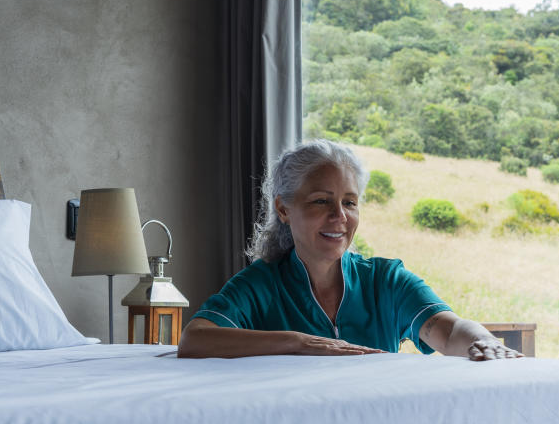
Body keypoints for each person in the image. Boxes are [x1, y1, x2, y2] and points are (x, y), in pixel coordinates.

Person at [177, 139, 522, 361]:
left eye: (349, 202)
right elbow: (196, 339)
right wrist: (298, 342)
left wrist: (483, 340)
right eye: (321, 201)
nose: (339, 216)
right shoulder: (260, 285)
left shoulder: (387, 281)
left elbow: (447, 330)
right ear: (283, 209)